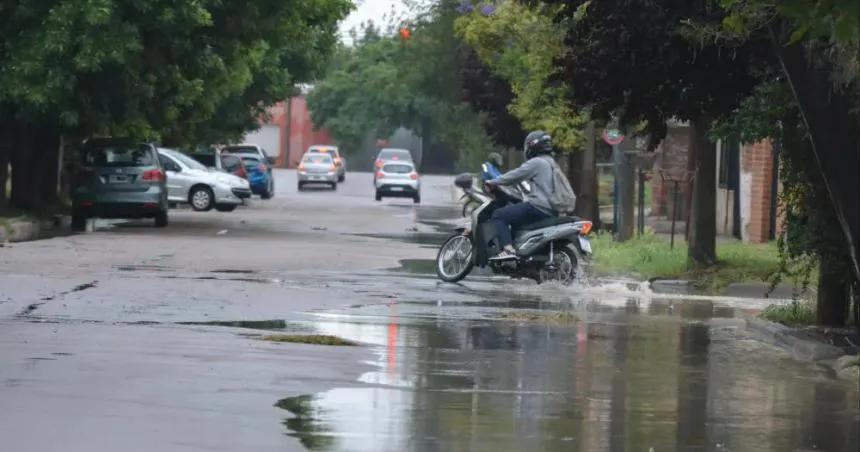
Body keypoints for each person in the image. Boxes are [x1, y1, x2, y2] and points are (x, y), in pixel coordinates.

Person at [485, 131, 560, 261]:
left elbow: (515, 175)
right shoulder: (551, 163)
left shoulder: (537, 162)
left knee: (499, 215)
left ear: (532, 146)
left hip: (537, 206)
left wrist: (492, 181)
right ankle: (522, 254)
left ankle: (508, 249)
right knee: (515, 219)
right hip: (551, 209)